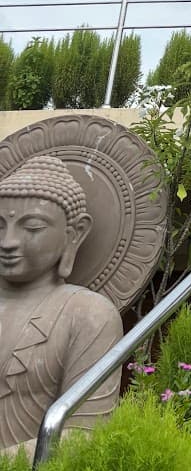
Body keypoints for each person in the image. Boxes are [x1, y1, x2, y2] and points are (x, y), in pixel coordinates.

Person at [0, 155, 123, 452]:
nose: (8, 242)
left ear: (75, 233)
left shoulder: (89, 315)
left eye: (32, 228)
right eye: (0, 226)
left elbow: (84, 437)